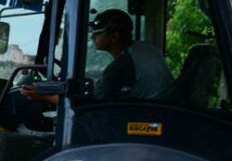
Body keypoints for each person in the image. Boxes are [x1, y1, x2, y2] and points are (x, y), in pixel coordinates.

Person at [22, 9, 173, 105]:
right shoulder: (142, 48)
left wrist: (46, 96)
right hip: (158, 111)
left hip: (145, 118)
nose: (92, 37)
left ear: (114, 37)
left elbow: (89, 106)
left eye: (98, 33)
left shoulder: (120, 67)